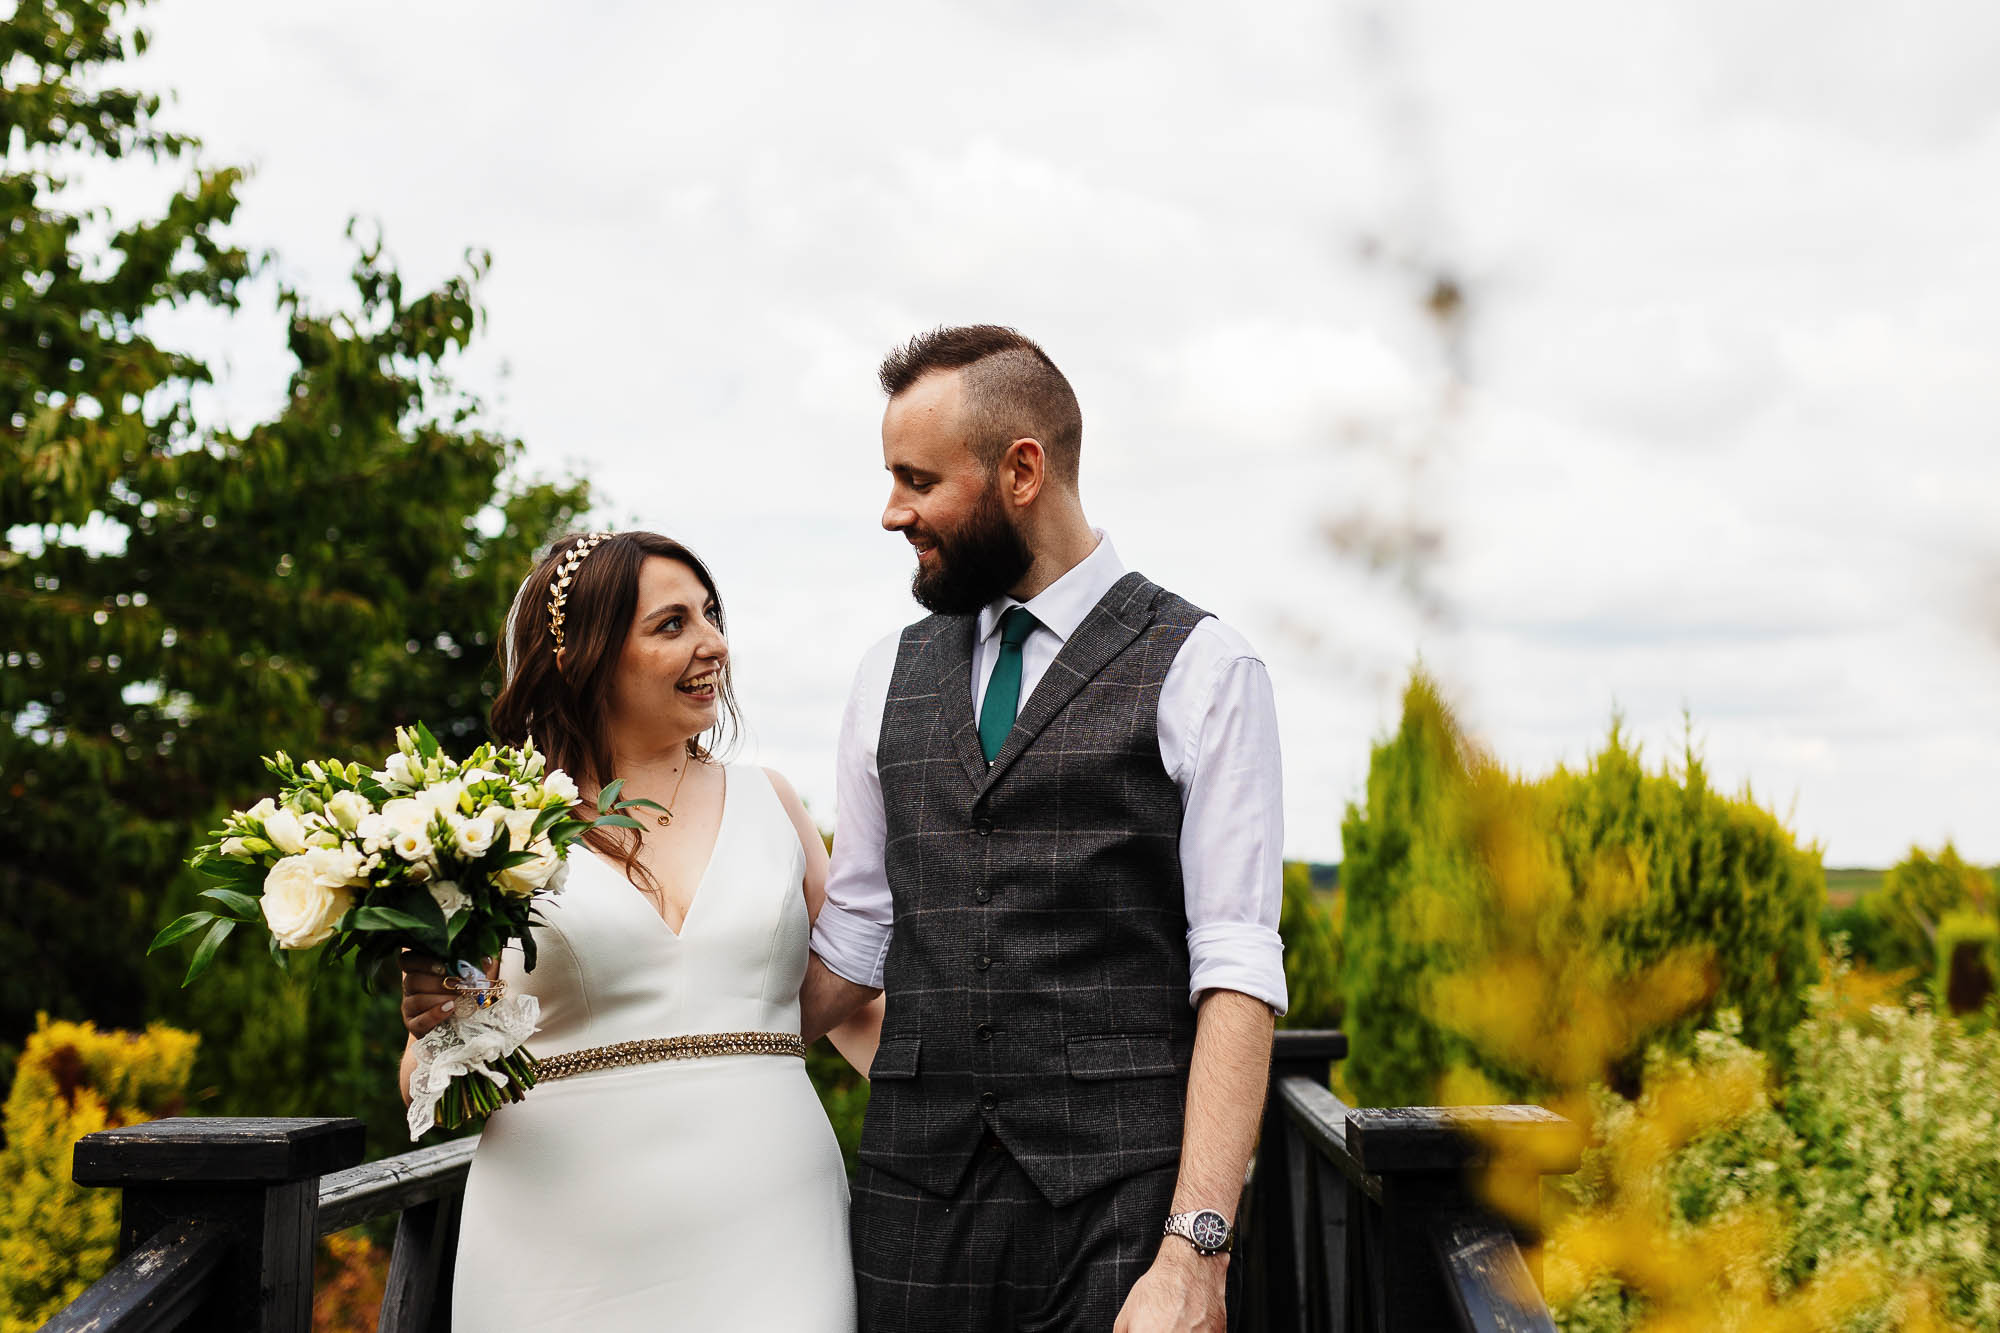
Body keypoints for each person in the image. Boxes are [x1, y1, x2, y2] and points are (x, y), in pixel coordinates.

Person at [800, 325, 1289, 1330]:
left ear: (1021, 469)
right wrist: (654, 1039)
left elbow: (1236, 969)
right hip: (910, 1210)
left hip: (1120, 1214)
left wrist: (1195, 1252)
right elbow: (851, 947)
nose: (892, 512)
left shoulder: (1205, 667)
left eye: (916, 478)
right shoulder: (882, 675)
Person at [398, 531, 878, 1332]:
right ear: (588, 657)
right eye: (672, 624)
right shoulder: (500, 833)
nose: (714, 643)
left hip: (775, 1223)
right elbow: (430, 1081)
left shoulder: (774, 802)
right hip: (558, 1243)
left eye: (712, 614)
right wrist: (445, 1021)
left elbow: (861, 1000)